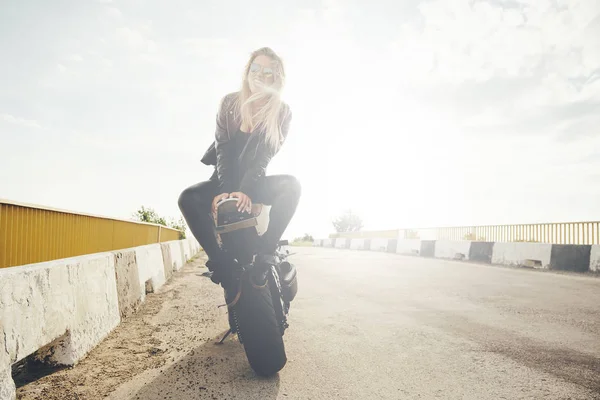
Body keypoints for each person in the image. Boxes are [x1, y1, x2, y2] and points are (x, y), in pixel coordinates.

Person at [178, 47, 301, 294]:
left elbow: (264, 157)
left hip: (254, 183)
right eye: (255, 69)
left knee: (292, 185)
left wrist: (246, 191)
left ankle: (266, 255)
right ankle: (221, 263)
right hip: (223, 181)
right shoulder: (229, 104)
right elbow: (222, 151)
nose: (260, 75)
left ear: (276, 78)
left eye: (268, 72)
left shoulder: (282, 112)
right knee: (187, 198)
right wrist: (225, 192)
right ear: (247, 72)